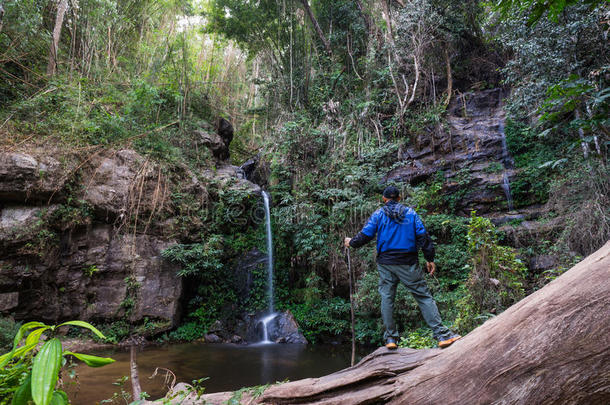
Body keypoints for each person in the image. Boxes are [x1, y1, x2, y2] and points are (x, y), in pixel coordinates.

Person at [344, 186, 461, 350]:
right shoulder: (411, 213)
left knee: (387, 298)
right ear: (399, 198)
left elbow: (366, 235)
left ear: (384, 199)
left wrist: (351, 242)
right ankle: (442, 335)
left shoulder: (379, 214)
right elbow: (423, 237)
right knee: (423, 297)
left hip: (386, 264)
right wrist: (429, 259)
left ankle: (391, 338)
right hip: (408, 262)